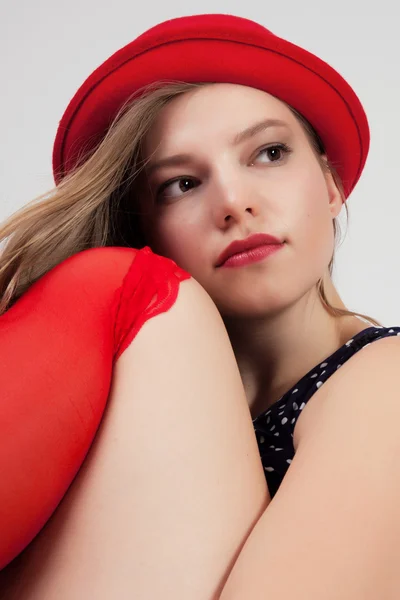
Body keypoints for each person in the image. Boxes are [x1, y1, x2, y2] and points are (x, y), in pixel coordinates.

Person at [1, 12, 399, 599]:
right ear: (147, 233)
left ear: (331, 184)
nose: (235, 203)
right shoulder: (133, 387)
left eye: (268, 153)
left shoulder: (384, 379)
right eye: (182, 184)